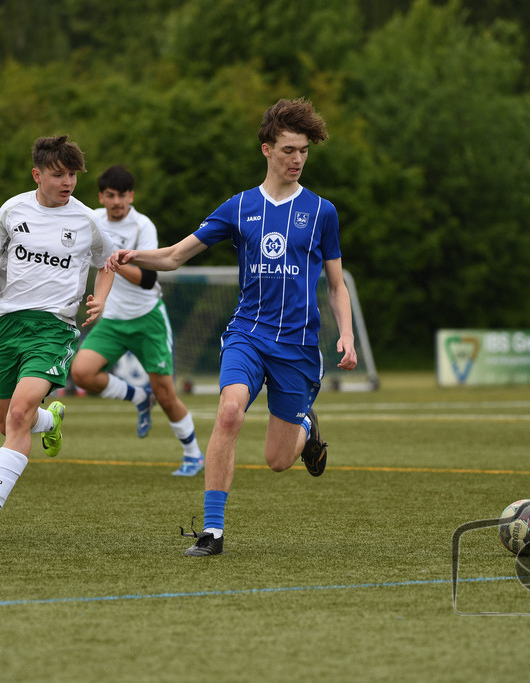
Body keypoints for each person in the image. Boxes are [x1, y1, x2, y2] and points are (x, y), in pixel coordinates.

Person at [107, 98, 358, 556]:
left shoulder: (322, 212)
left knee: (277, 461)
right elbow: (175, 257)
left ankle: (305, 426)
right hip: (248, 333)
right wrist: (134, 256)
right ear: (266, 149)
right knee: (228, 411)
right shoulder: (239, 207)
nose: (297, 159)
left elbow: (338, 286)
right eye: (288, 149)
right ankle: (213, 532)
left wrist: (347, 334)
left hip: (299, 346)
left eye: (303, 150)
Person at [0, 134, 115, 538]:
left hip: (55, 328)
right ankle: (51, 421)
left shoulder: (86, 220)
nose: (67, 182)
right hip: (8, 326)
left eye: (73, 176)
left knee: (17, 413)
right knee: (8, 422)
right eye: (58, 174)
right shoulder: (13, 210)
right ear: (37, 174)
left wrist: (98, 300)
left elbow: (108, 262)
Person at [71, 165, 204, 476]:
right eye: (111, 195)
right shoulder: (92, 220)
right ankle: (139, 397)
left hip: (147, 319)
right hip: (113, 320)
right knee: (81, 373)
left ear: (132, 196)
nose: (118, 201)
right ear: (101, 197)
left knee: (167, 395)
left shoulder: (143, 226)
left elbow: (147, 279)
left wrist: (115, 262)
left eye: (124, 195)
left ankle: (193, 455)